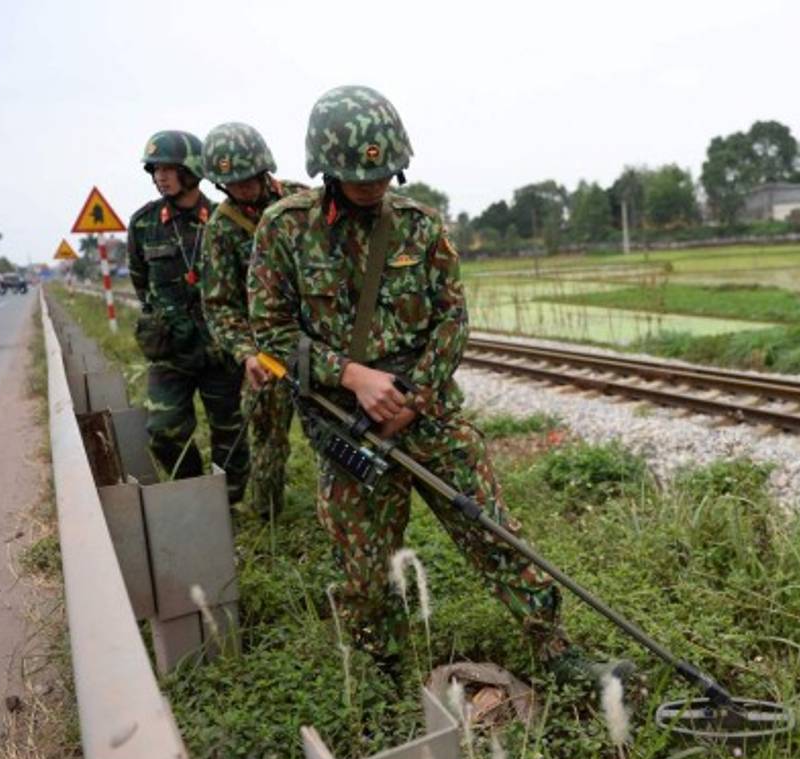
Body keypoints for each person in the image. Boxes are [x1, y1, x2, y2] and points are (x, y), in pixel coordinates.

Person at [248, 85, 628, 683]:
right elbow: (268, 333)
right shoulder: (284, 231)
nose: (372, 186)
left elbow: (453, 319)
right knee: (364, 571)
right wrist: (352, 377)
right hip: (345, 423)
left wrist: (412, 400)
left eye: (382, 173)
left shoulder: (421, 229)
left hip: (426, 415)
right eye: (356, 175)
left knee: (495, 533)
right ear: (326, 169)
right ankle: (382, 674)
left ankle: (556, 653)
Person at [127, 130, 249, 502]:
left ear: (192, 171)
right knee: (163, 430)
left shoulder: (224, 220)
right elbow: (140, 282)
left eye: (168, 168)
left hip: (220, 350)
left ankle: (228, 502)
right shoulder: (144, 224)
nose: (160, 177)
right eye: (155, 170)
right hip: (171, 352)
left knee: (229, 431)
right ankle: (196, 491)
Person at [201, 122, 307, 518]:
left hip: (321, 342)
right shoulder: (222, 227)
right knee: (267, 434)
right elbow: (220, 303)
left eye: (247, 178)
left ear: (264, 169)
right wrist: (246, 353)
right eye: (232, 182)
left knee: (338, 430)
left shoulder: (302, 200)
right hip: (270, 351)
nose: (242, 188)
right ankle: (268, 514)